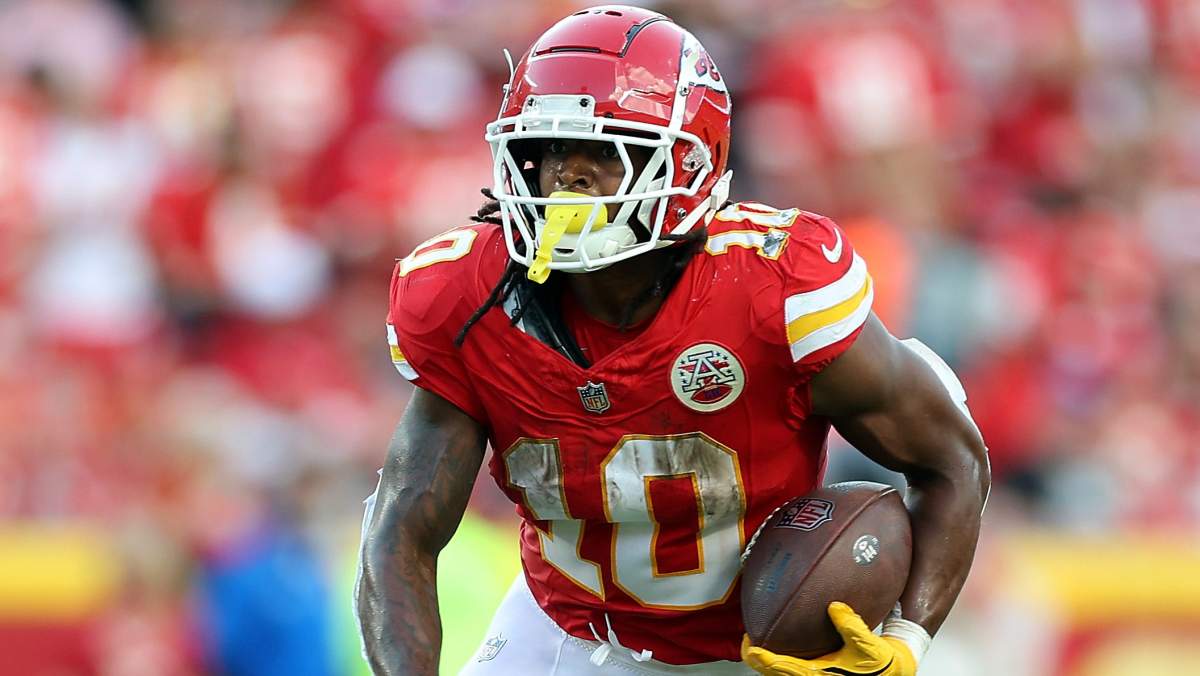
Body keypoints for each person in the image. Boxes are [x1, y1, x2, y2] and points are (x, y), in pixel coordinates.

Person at [355, 5, 990, 675]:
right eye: (552, 150)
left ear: (688, 161)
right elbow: (402, 528)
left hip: (762, 654)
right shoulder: (468, 298)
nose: (568, 176)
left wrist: (908, 639)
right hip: (568, 630)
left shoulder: (770, 288)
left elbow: (950, 459)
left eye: (606, 151)